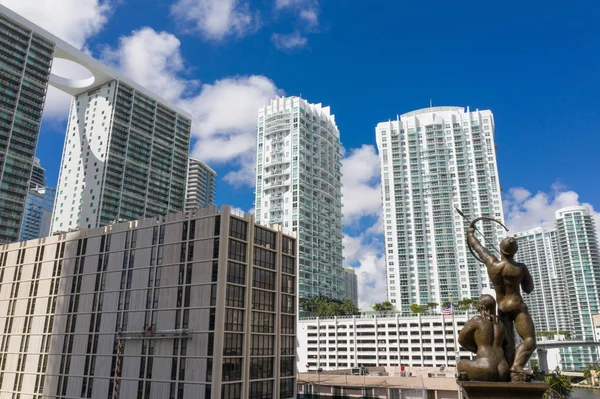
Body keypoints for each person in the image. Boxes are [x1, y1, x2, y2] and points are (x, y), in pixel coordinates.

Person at [467, 227, 536, 381]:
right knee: (530, 340)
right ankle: (516, 366)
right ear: (515, 251)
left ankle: (511, 371)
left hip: (502, 308)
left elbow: (479, 248)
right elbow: (528, 288)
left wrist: (470, 234)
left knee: (509, 343)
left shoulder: (492, 264)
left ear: (500, 250)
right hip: (517, 306)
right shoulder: (520, 268)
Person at [457, 294, 509, 382]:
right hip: (503, 369)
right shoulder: (501, 324)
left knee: (460, 364)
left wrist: (477, 349)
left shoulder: (477, 320)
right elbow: (506, 343)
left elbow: (461, 339)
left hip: (485, 367)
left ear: (482, 307)